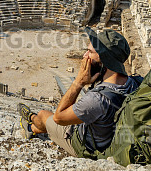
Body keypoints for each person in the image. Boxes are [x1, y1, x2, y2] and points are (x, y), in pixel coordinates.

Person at [18, 28, 142, 158]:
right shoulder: (134, 82)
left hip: (85, 146)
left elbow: (58, 118)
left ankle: (30, 124)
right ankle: (36, 127)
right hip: (107, 137)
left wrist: (79, 82)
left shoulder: (97, 99)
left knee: (43, 115)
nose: (84, 55)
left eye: (89, 52)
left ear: (103, 59)